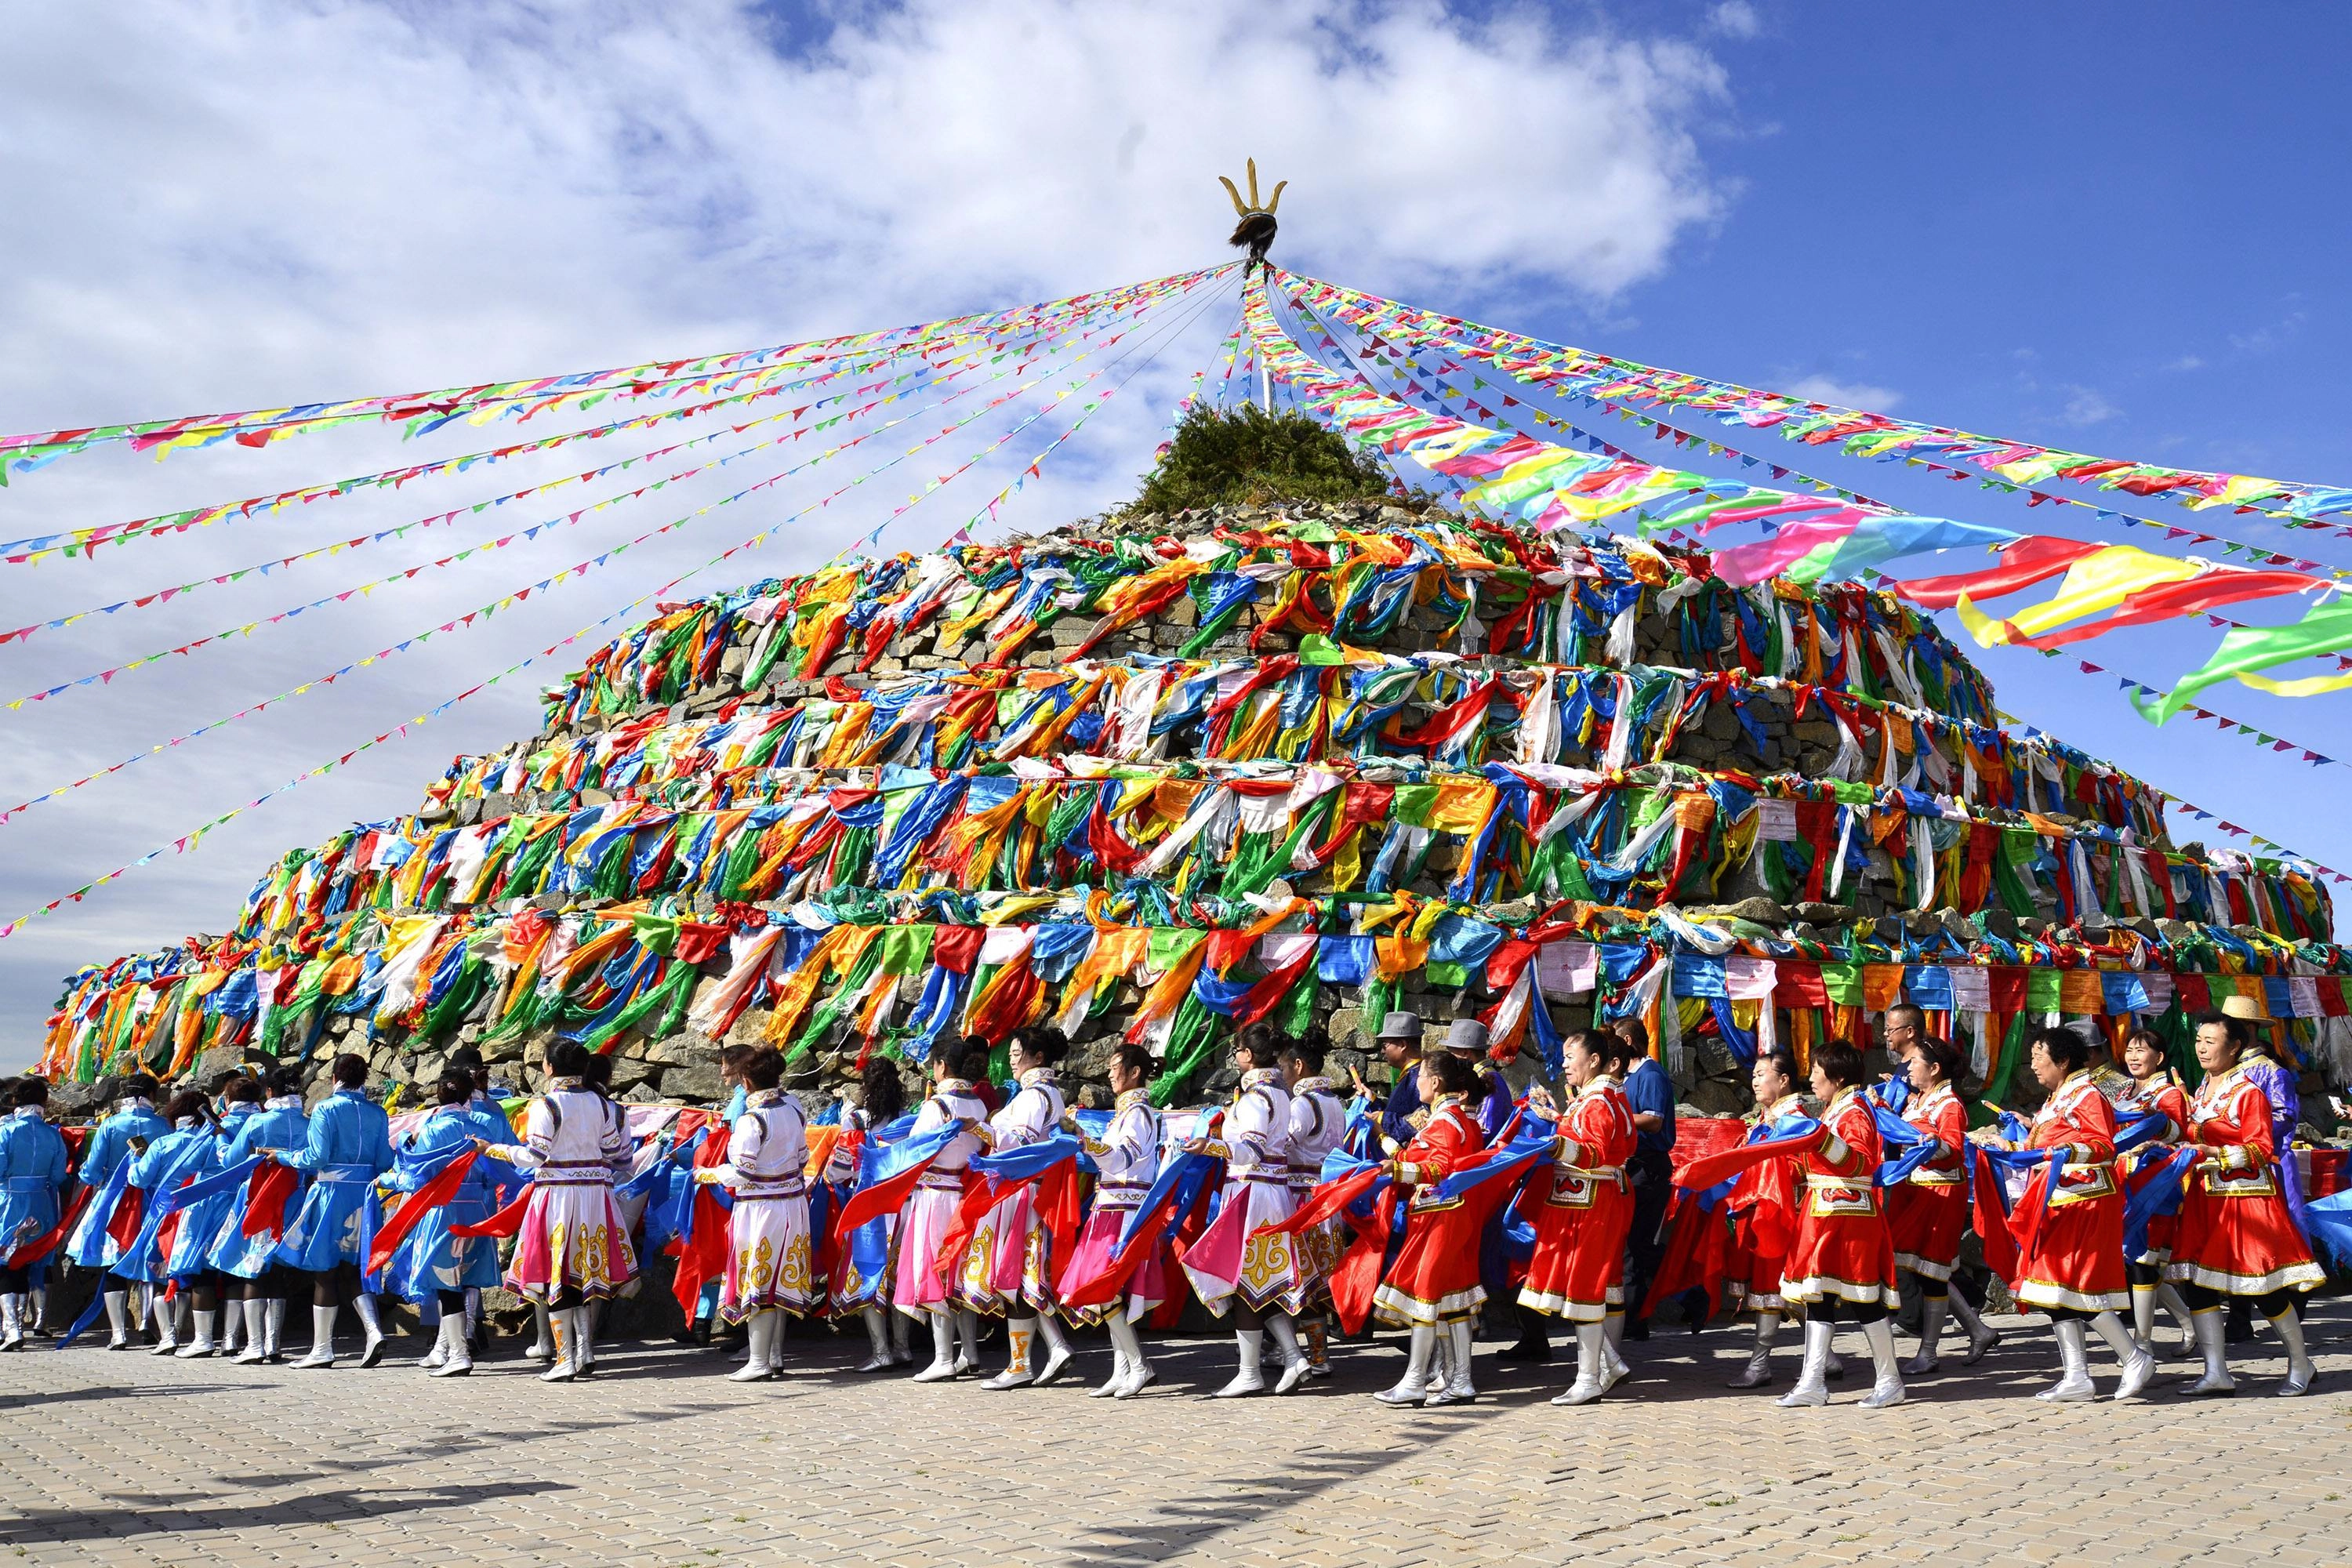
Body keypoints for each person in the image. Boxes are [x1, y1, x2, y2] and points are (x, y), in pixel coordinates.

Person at [1970, 1027, 2153, 1401]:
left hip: (2084, 1201)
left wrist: (2066, 1153)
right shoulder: (2058, 1098)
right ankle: (2077, 1376)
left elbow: (2103, 1145)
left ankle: (2134, 1357)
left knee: (2072, 1285)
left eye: (2040, 1057)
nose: (2034, 1065)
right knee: (2049, 1288)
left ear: (2064, 1061)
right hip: (2058, 1200)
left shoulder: (2086, 1095)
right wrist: (2004, 1145)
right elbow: (2041, 1146)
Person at [2163, 1009, 2325, 1396]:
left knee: (2262, 1288)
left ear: (2235, 1047)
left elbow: (2260, 1148)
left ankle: (2301, 1362)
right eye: (2199, 1040)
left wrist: (2211, 1153)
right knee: (2199, 1285)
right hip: (2206, 1198)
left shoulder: (2248, 1091)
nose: (2201, 1048)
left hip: (2245, 1199)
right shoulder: (2203, 1089)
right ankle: (2216, 1371)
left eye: (2211, 1042)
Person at [474, 1039, 638, 1382]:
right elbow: (617, 1154)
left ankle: (564, 1358)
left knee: (558, 1273)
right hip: (596, 1197)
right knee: (585, 1271)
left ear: (549, 1067)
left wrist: (495, 1150)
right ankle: (584, 1351)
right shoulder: (602, 1104)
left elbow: (534, 1155)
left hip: (558, 1197)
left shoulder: (546, 1105)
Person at [1774, 1040, 1904, 1410]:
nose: (1811, 1078)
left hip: (1850, 1217)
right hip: (1825, 1214)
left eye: (1817, 1071)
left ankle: (1890, 1380)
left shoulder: (1854, 1112)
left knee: (1864, 1300)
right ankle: (1812, 1382)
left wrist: (1816, 1140)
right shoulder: (1836, 1111)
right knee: (1819, 1298)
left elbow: (1861, 1163)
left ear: (1838, 1075)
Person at [1184, 1026, 1309, 1397]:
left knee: (1245, 1283)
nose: (1235, 1057)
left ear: (1248, 1056)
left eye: (1236, 1051)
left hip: (1252, 1194)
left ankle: (1249, 1371)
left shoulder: (1255, 1098)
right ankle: (1293, 1355)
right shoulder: (1281, 1094)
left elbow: (1250, 1150)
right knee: (1261, 1282)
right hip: (1272, 1192)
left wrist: (1209, 1145)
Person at [1519, 1030, 1638, 1406]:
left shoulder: (1598, 1102)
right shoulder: (1602, 1098)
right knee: (1586, 1287)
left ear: (1597, 1061)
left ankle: (1588, 1378)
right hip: (1588, 1201)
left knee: (1585, 1289)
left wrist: (1549, 1142)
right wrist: (1556, 1119)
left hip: (1590, 1205)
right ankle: (1609, 1362)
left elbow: (1594, 1154)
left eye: (1572, 1056)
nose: (1566, 1063)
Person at [956, 1026, 1076, 1391]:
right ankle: (1054, 1348)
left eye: (1017, 1051)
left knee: (1014, 1278)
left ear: (1038, 1058)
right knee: (1022, 1277)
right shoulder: (1046, 1093)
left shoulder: (1032, 1097)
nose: (1011, 1057)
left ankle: (1021, 1363)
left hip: (1019, 1192)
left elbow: (1020, 1144)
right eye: (1010, 1051)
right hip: (1029, 1191)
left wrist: (980, 1129)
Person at [1370, 1050, 1490, 1406]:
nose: (1416, 1082)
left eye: (1420, 1076)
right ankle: (1461, 1379)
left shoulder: (1443, 1123)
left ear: (1435, 1083)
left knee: (1426, 1296)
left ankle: (1415, 1379)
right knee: (1454, 1299)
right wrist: (1394, 1150)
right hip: (1452, 1215)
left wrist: (1395, 1170)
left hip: (1439, 1217)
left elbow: (1439, 1167)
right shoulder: (1462, 1120)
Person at [265, 1052, 394, 1369]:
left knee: (325, 1271)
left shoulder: (325, 1108)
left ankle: (322, 1348)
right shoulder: (377, 1113)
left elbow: (316, 1157)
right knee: (354, 1269)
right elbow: (385, 1162)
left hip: (332, 1193)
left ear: (334, 1077)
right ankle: (374, 1331)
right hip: (365, 1195)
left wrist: (283, 1157)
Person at [697, 1044, 813, 1383]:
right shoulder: (793, 1108)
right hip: (792, 1204)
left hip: (760, 1208)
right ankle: (773, 1355)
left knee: (759, 1279)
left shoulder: (752, 1120)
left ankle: (760, 1360)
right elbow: (803, 1157)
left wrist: (707, 1173)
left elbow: (741, 1173)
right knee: (778, 1278)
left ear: (746, 1081)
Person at [1058, 1042, 1166, 1399]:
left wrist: (1084, 1140)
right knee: (1104, 1290)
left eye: (1115, 1065)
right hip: (1111, 1207)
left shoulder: (1138, 1115)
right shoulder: (1125, 1115)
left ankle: (1139, 1364)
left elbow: (1121, 1159)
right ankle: (1123, 1367)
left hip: (1123, 1211)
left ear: (1135, 1073)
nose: (1109, 1072)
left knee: (1105, 1287)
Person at [384, 1069, 505, 1377]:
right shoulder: (483, 1129)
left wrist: (388, 1176)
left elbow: (416, 1177)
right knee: (466, 1278)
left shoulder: (433, 1130)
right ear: (469, 1096)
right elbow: (496, 1173)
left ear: (440, 1095)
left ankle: (459, 1354)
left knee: (445, 1283)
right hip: (478, 1209)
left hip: (445, 1210)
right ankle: (447, 1348)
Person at [1886, 1038, 1997, 1373]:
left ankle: (1929, 1352)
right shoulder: (1920, 1099)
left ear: (1934, 1069)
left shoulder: (1949, 1105)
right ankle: (1978, 1329)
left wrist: (1921, 1142)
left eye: (1915, 1062)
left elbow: (1950, 1150)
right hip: (1916, 1191)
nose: (1909, 1068)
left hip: (1940, 1193)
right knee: (1924, 1269)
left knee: (1931, 1271)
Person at [902, 1041, 991, 1381]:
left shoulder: (936, 1105)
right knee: (959, 1272)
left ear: (941, 1066)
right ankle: (970, 1352)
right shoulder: (979, 1104)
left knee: (936, 1269)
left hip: (936, 1194)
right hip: (965, 1193)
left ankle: (943, 1357)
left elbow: (914, 1150)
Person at [210, 1065, 311, 1363]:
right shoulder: (309, 1123)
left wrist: (220, 1137)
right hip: (295, 1197)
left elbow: (230, 1160)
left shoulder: (257, 1122)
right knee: (277, 1270)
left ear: (269, 1092)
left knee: (252, 1267)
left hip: (258, 1197)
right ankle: (273, 1345)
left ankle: (254, 1346)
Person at [1724, 1048, 1808, 1389]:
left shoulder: (1796, 1119)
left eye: (1762, 1074)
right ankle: (1826, 1357)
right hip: (1761, 1211)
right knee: (1783, 1290)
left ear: (1784, 1080)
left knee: (1773, 1289)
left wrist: (1759, 1164)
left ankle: (1760, 1365)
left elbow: (1799, 1167)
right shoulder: (1766, 1119)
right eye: (1755, 1075)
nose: (1755, 1081)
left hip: (1784, 1215)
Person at [66, 1073, 168, 1350]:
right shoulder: (162, 1125)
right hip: (150, 1198)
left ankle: (118, 1333)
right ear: (152, 1095)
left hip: (113, 1198)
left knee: (113, 1262)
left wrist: (90, 1176)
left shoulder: (109, 1125)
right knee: (148, 1260)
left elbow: (91, 1168)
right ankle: (147, 1325)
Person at [826, 1056, 913, 1373]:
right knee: (897, 1276)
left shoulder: (856, 1120)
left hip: (869, 1208)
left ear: (866, 1086)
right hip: (902, 1205)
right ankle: (902, 1347)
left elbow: (841, 1166)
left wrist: (830, 1177)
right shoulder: (908, 1118)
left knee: (869, 1274)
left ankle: (880, 1350)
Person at [121, 1088, 223, 1353]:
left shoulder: (162, 1144)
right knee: (192, 1272)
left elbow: (140, 1179)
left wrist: (134, 1161)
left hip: (164, 1214)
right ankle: (189, 1332)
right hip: (198, 1213)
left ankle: (168, 1336)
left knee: (158, 1272)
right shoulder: (213, 1142)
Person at [2117, 1027, 2197, 1356]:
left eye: (2141, 1051)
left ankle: (2143, 1343)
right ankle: (2190, 1326)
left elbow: (2178, 1134)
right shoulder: (2123, 1091)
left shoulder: (2167, 1094)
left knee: (2143, 1261)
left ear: (2159, 1058)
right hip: (2126, 1182)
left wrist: (2156, 1130)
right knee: (2138, 1261)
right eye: (2130, 1051)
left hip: (2158, 1185)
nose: (2134, 1057)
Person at [1281, 1028, 1347, 1378]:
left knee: (1300, 1278)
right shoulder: (1335, 1103)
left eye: (1283, 1067)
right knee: (1319, 1279)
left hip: (1300, 1199)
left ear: (1298, 1065)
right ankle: (1316, 1354)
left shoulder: (1303, 1104)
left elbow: (1283, 1145)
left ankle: (1304, 1354)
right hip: (1326, 1197)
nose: (1281, 1075)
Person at [1611, 1018, 1676, 1342]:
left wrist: (1614, 1117)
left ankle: (1639, 1317)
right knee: (1629, 1243)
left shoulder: (1650, 1075)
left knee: (1636, 1245)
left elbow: (1652, 1120)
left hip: (1648, 1166)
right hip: (1631, 1165)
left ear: (1626, 1041)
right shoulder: (1627, 1077)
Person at [0, 1077, 71, 1352]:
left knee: (6, 1262)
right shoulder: (53, 1134)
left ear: (15, 1101)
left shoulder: (5, 1132)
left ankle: (13, 1329)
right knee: (32, 1261)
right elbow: (57, 1176)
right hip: (42, 1203)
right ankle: (26, 1322)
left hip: (9, 1202)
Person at [1362, 1011, 1425, 1148]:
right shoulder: (1410, 1075)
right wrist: (1373, 1100)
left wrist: (1381, 1118)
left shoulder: (1420, 1079)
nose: (1383, 1051)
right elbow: (1400, 1115)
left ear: (1402, 1045)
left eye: (1385, 1045)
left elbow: (1418, 1124)